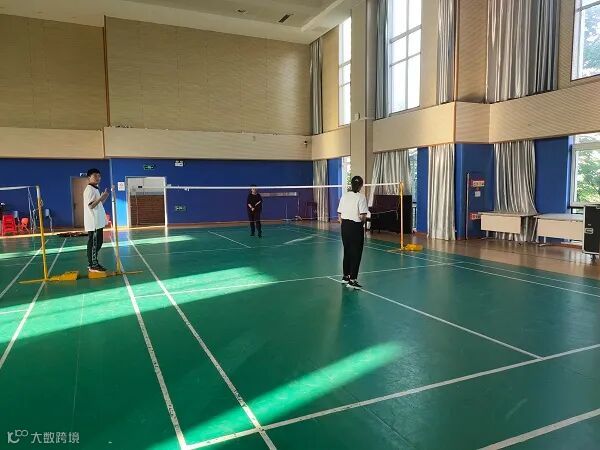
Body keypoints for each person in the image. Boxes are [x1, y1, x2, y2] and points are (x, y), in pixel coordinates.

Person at [337, 175, 368, 289]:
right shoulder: (361, 197)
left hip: (344, 226)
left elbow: (339, 215)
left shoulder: (344, 195)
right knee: (356, 253)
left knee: (347, 251)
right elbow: (363, 216)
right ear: (361, 185)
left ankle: (345, 277)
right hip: (355, 227)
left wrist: (344, 224)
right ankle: (352, 280)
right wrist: (361, 224)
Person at [84, 168, 109, 272]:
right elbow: (91, 206)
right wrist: (100, 198)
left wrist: (104, 197)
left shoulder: (95, 189)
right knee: (94, 244)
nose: (98, 178)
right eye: (95, 176)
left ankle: (93, 263)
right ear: (89, 177)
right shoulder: (90, 189)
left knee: (98, 243)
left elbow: (98, 205)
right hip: (93, 223)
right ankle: (93, 265)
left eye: (99, 176)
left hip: (98, 222)